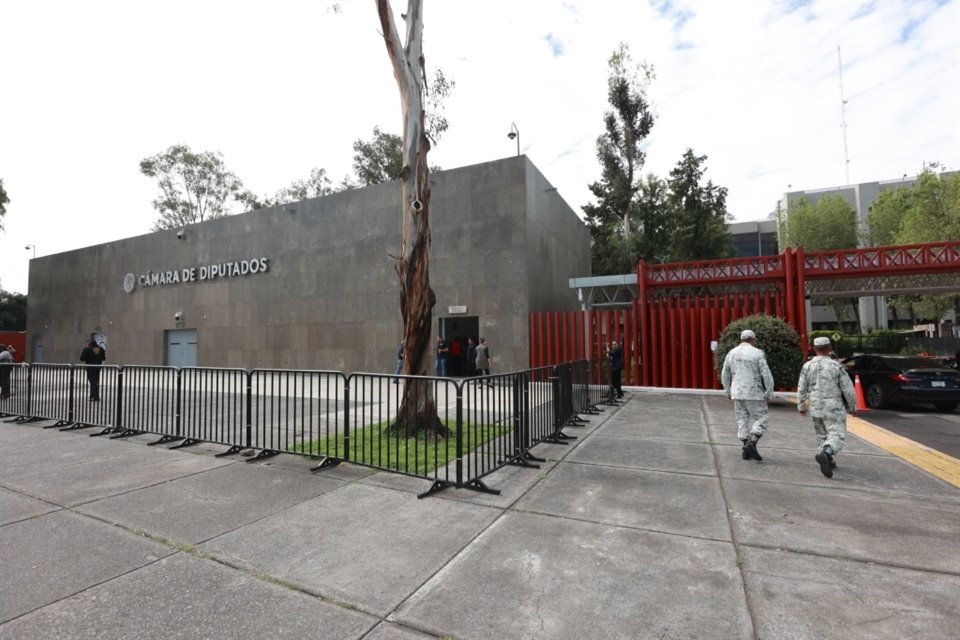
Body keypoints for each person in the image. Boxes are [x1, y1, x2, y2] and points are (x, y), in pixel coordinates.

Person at [797, 336, 857, 478]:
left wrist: (801, 406)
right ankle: (827, 453)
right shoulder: (836, 366)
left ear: (813, 348)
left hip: (816, 406)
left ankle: (827, 460)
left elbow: (801, 388)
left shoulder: (807, 366)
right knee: (836, 434)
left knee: (822, 434)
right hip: (833, 406)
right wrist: (853, 406)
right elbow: (848, 388)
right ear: (830, 349)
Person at [720, 329, 775, 461]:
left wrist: (727, 390)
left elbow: (725, 373)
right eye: (755, 340)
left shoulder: (731, 353)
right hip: (754, 392)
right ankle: (752, 443)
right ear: (752, 339)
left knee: (742, 419)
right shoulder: (758, 353)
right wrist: (769, 392)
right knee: (761, 418)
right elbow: (766, 374)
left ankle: (745, 448)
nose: (756, 342)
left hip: (737, 392)